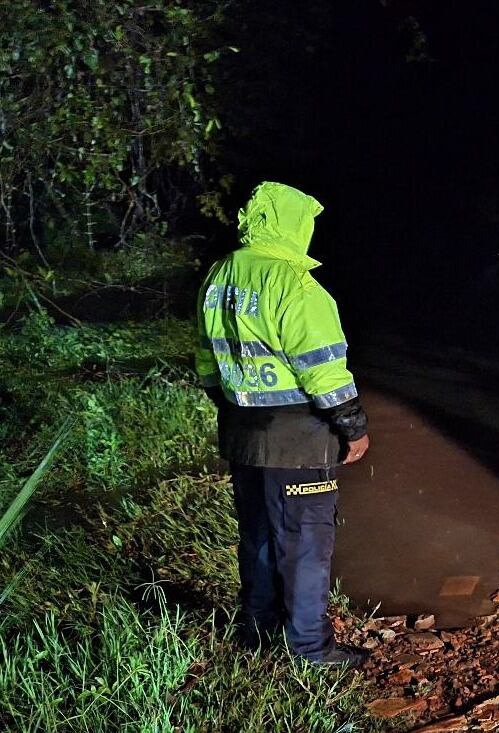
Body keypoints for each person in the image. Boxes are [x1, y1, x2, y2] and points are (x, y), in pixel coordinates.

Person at [196, 182, 370, 667]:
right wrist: (353, 429)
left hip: (241, 433)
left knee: (257, 535)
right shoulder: (295, 285)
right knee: (305, 545)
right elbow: (326, 373)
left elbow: (207, 363)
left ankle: (256, 632)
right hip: (297, 441)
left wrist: (236, 408)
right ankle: (310, 649)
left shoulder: (220, 276)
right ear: (294, 225)